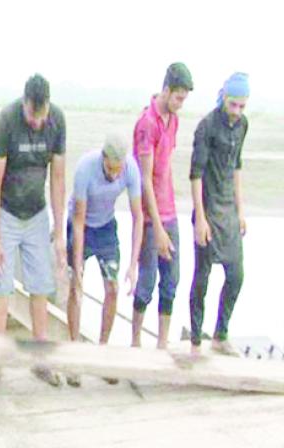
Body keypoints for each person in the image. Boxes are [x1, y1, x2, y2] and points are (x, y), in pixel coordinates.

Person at [0, 73, 67, 391]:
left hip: (36, 214)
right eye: (33, 116)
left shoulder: (57, 121)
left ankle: (40, 360)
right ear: (24, 104)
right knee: (1, 286)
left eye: (41, 115)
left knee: (41, 285)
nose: (37, 122)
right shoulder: (6, 121)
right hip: (6, 211)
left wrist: (59, 233)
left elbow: (58, 180)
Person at [65, 135, 143, 387]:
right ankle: (74, 353)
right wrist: (77, 265)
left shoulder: (130, 169)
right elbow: (78, 222)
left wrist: (133, 264)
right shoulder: (85, 169)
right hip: (81, 225)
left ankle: (102, 350)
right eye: (110, 169)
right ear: (103, 159)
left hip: (106, 226)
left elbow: (138, 217)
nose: (114, 174)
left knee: (112, 287)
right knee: (76, 287)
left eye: (118, 170)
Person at [131, 63, 193, 349]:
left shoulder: (174, 120)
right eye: (178, 97)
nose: (180, 104)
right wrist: (156, 226)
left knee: (172, 280)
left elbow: (166, 168)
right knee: (146, 282)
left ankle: (163, 344)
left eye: (184, 99)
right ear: (166, 90)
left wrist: (172, 212)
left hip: (169, 211)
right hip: (149, 215)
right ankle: (136, 341)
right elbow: (145, 178)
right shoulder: (148, 123)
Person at [189, 73, 250, 356]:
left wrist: (241, 211)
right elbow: (196, 175)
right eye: (233, 105)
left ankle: (220, 334)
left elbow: (237, 168)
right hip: (208, 209)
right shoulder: (207, 127)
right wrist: (200, 219)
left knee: (236, 274)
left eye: (241, 106)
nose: (237, 112)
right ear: (224, 99)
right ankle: (195, 342)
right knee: (202, 277)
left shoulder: (242, 126)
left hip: (228, 210)